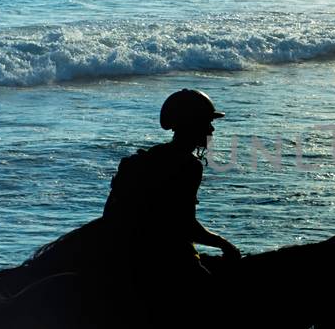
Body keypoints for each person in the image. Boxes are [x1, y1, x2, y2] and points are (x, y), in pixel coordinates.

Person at [98, 89, 240, 315]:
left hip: (126, 252)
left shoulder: (150, 156)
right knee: (219, 303)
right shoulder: (188, 166)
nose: (211, 129)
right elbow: (186, 226)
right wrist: (224, 244)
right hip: (163, 257)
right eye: (206, 123)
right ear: (192, 124)